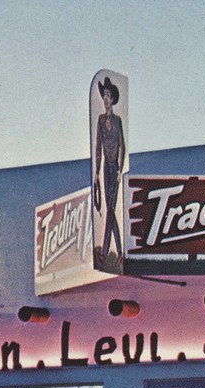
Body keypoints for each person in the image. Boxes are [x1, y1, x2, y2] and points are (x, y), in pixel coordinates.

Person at [93, 76, 126, 268]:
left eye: (108, 96)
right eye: (104, 96)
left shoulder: (118, 120)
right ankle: (120, 251)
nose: (106, 99)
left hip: (115, 168)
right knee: (109, 209)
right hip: (105, 167)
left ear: (113, 99)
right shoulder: (100, 120)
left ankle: (105, 252)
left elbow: (122, 144)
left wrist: (120, 168)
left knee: (111, 209)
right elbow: (98, 146)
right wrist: (96, 171)